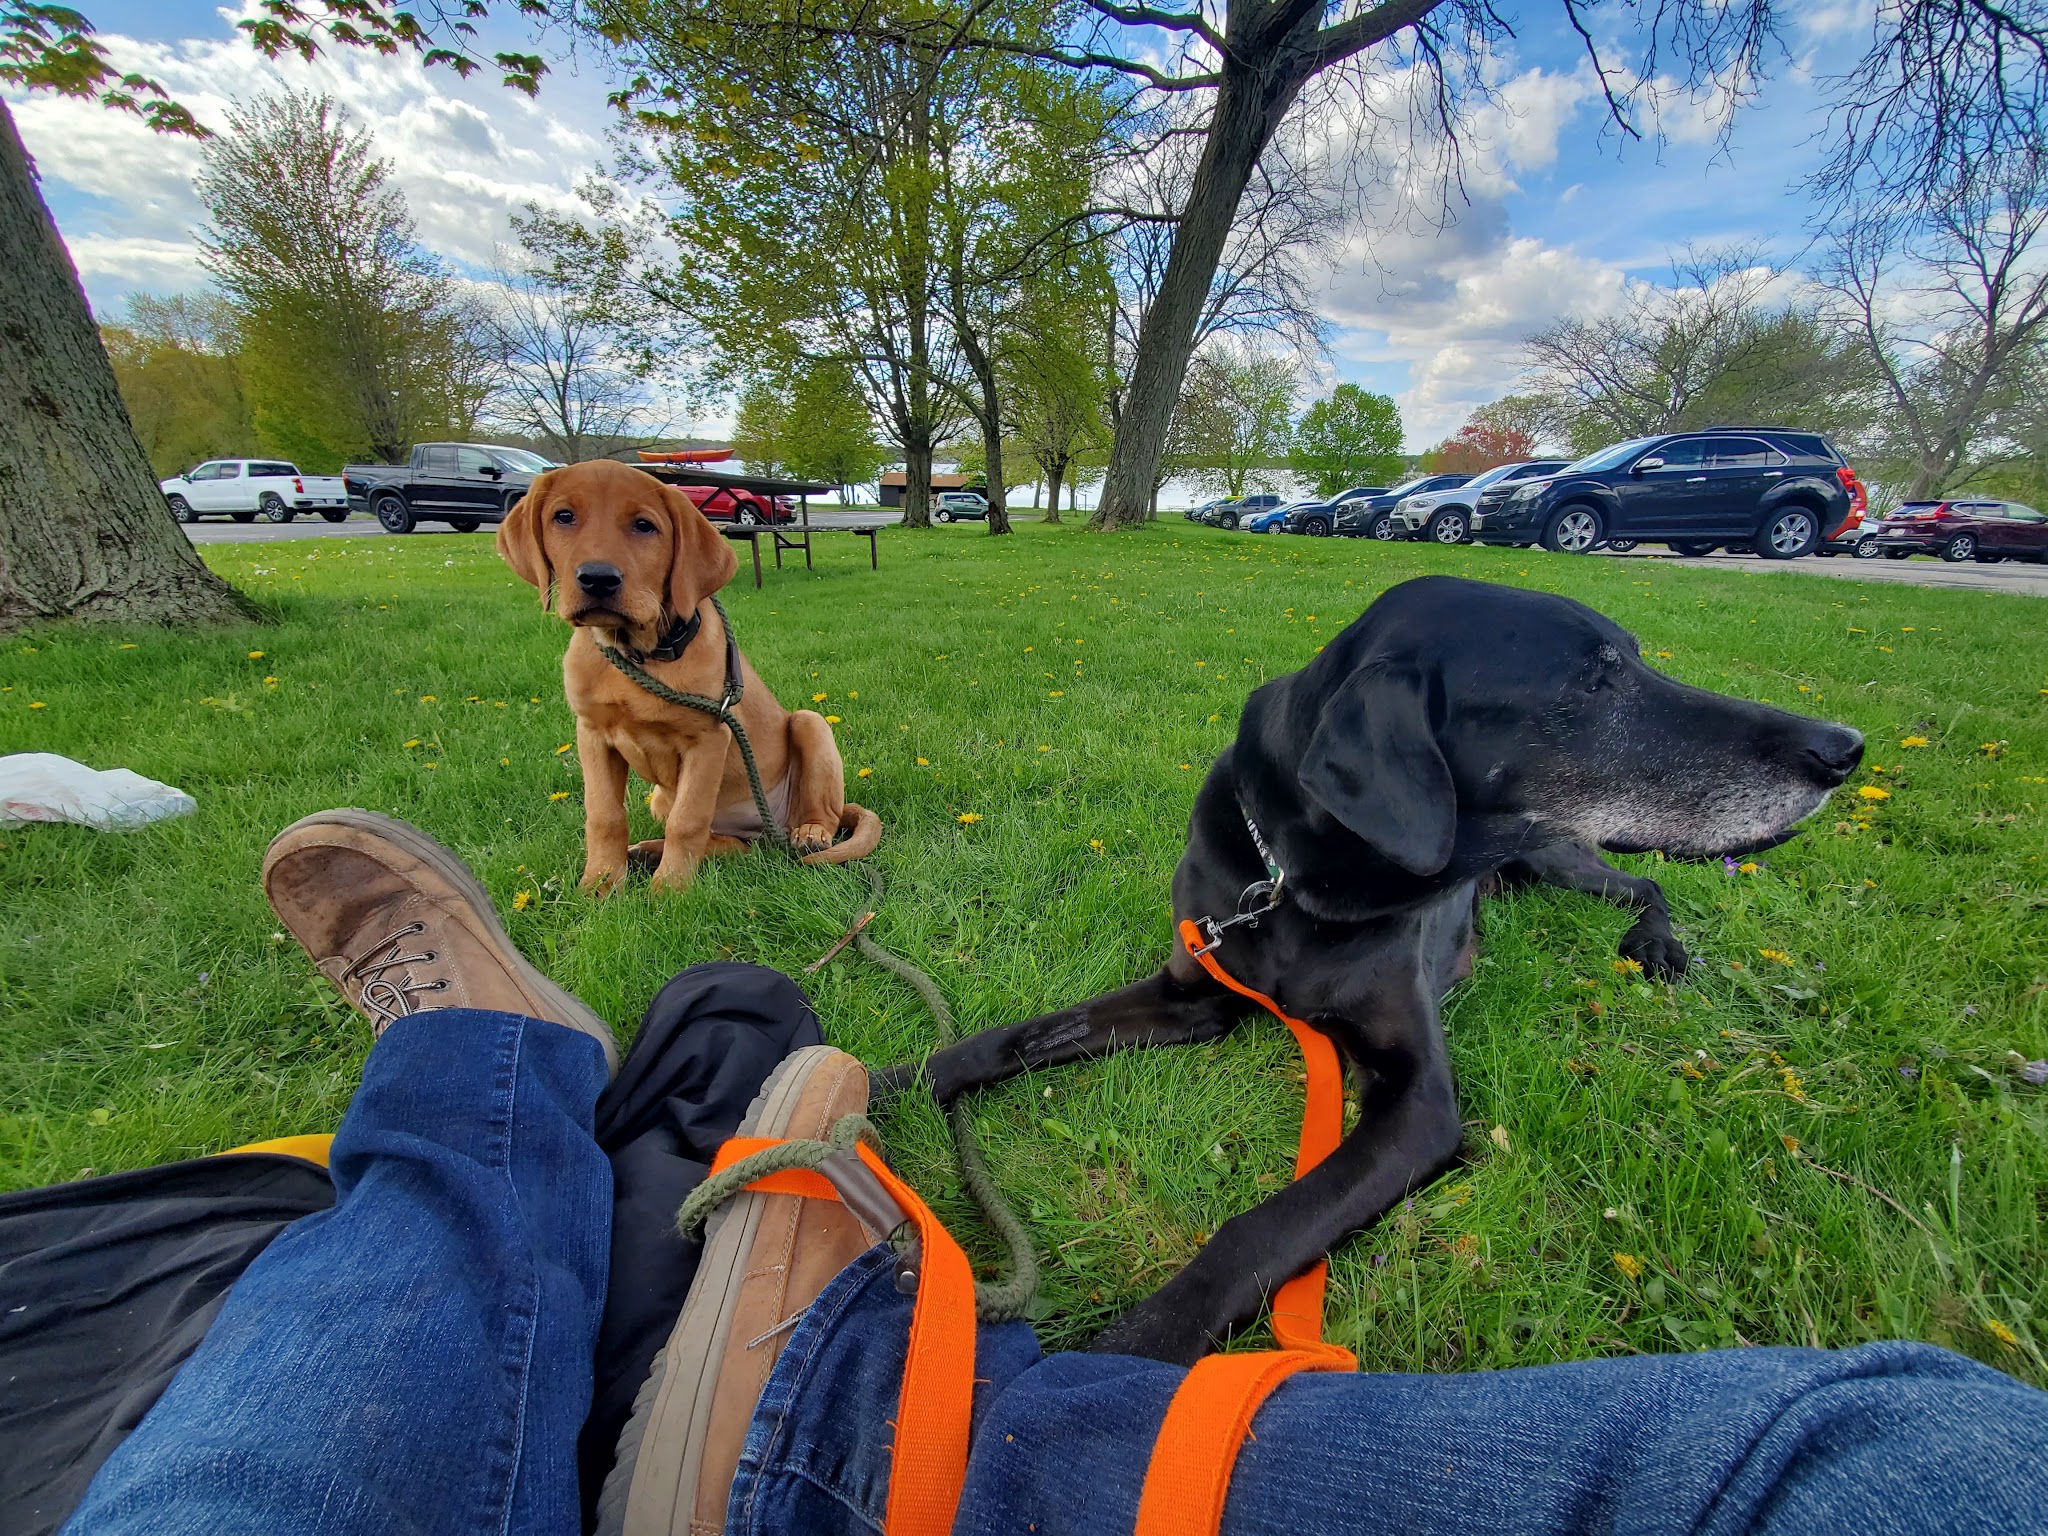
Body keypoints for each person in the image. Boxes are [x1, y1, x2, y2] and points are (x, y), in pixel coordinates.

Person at [53, 812, 2048, 1536]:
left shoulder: (1472, 844)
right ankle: (810, 1409)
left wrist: (1194, 1296)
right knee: (1889, 1454)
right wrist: (970, 1058)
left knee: (343, 1346)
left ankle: (483, 1086)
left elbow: (1416, 1111)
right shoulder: (1258, 831)